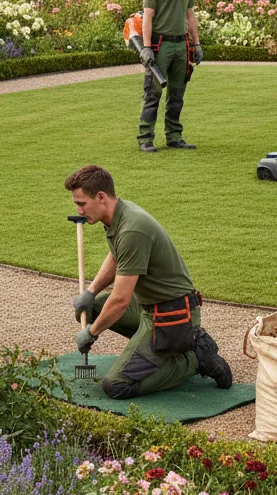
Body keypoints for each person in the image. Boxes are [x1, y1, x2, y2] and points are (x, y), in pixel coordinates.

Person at [64, 164, 232, 398]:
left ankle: (194, 357)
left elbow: (121, 300)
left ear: (101, 197)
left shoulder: (132, 229)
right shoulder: (118, 214)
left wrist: (91, 333)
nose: (79, 210)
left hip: (172, 316)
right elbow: (116, 256)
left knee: (116, 386)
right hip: (148, 307)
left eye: (81, 203)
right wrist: (91, 292)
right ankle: (164, 350)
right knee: (93, 307)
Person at [137, 0, 203, 152]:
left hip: (182, 45)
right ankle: (145, 138)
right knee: (153, 92)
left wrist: (197, 43)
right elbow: (148, 17)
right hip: (160, 45)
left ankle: (174, 136)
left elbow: (190, 15)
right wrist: (146, 47)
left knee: (177, 93)